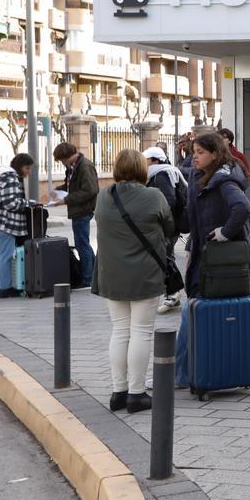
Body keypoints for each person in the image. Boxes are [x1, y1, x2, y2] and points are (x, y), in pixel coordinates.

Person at [175, 132, 250, 389]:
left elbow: (242, 208)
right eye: (193, 152)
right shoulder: (201, 176)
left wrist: (223, 232)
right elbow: (194, 216)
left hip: (220, 261)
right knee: (196, 312)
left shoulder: (224, 180)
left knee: (192, 311)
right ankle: (192, 372)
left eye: (200, 152)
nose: (194, 157)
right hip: (207, 256)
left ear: (214, 153)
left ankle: (181, 375)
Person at [93, 149, 174, 414]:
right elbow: (170, 227)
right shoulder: (153, 196)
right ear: (142, 169)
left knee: (120, 331)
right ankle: (137, 395)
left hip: (110, 274)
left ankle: (119, 392)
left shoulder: (104, 195)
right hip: (144, 275)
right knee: (140, 332)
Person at [145, 147, 188, 314]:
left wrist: (159, 220)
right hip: (169, 224)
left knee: (163, 257)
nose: (144, 163)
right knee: (164, 256)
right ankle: (172, 293)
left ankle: (173, 293)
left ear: (155, 160)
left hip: (169, 225)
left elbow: (168, 201)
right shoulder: (163, 172)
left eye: (146, 159)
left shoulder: (162, 174)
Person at [52, 142, 98, 289]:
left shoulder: (85, 166)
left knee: (82, 245)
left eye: (62, 160)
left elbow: (90, 190)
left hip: (83, 210)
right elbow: (70, 185)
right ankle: (95, 274)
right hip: (78, 210)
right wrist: (58, 190)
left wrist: (66, 199)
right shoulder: (72, 166)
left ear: (69, 156)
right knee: (83, 244)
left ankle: (88, 279)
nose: (62, 163)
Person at [0, 154, 34, 298]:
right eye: (27, 168)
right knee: (6, 255)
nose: (28, 172)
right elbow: (11, 203)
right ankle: (5, 288)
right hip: (7, 223)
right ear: (20, 166)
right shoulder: (11, 179)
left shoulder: (2, 177)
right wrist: (29, 203)